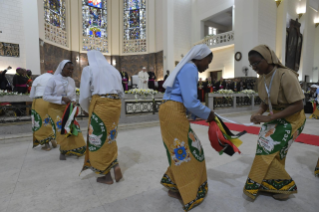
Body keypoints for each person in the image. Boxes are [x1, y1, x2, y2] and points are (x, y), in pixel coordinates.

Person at [244, 45, 306, 200]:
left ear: (269, 58)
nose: (254, 67)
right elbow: (266, 102)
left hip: (293, 118)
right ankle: (270, 184)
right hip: (276, 115)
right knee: (270, 149)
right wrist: (258, 113)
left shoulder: (286, 75)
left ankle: (284, 188)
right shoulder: (263, 78)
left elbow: (299, 105)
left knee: (269, 147)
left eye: (257, 63)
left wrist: (269, 118)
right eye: (252, 65)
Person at [160, 44, 215, 211]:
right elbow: (191, 101)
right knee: (189, 151)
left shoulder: (186, 67)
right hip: (173, 111)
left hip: (171, 110)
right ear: (200, 57)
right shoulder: (190, 67)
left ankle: (174, 185)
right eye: (208, 61)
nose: (208, 65)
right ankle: (187, 191)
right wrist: (208, 114)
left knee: (182, 149)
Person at [79, 50, 124, 184]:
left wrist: (87, 109)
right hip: (115, 104)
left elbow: (84, 95)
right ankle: (114, 164)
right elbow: (122, 92)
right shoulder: (114, 70)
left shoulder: (89, 69)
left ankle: (105, 175)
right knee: (110, 136)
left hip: (101, 104)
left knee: (97, 138)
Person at [43, 60, 86, 160]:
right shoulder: (53, 80)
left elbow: (74, 95)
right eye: (68, 69)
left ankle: (74, 149)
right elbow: (45, 97)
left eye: (72, 69)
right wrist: (61, 99)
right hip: (55, 108)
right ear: (62, 68)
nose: (71, 71)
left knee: (72, 127)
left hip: (68, 108)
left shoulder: (71, 81)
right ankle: (63, 150)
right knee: (61, 129)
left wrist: (73, 101)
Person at [30, 70, 57, 151]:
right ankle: (53, 138)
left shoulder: (37, 79)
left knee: (41, 123)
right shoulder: (54, 78)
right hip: (51, 100)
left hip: (39, 101)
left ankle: (47, 144)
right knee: (51, 120)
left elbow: (31, 95)